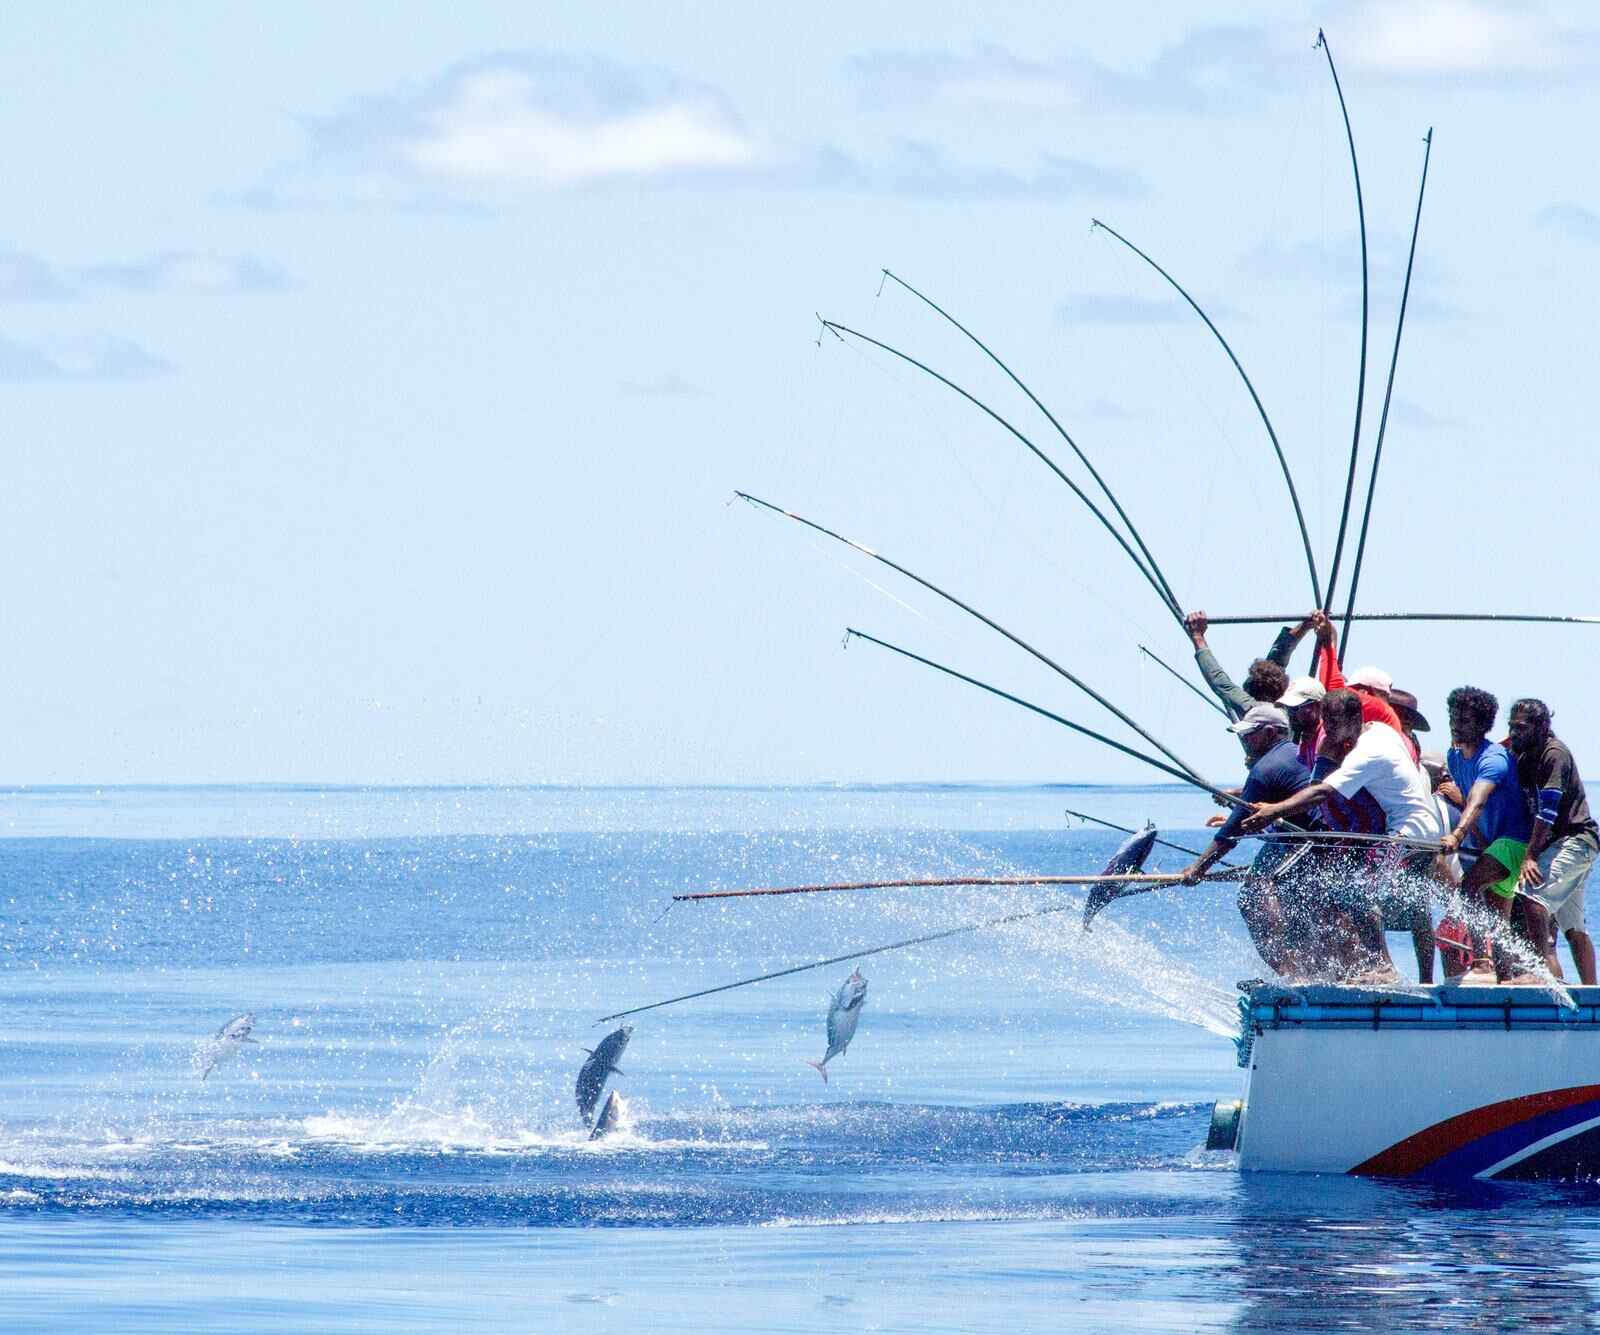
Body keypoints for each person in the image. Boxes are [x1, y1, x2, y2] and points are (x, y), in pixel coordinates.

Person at [1241, 689, 1443, 983]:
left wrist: (1275, 810)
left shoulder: (1367, 752)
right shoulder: (1379, 731)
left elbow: (1323, 790)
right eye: (1328, 723)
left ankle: (1384, 967)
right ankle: (1365, 966)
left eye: (1336, 724)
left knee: (1359, 889)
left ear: (1356, 718)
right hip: (1418, 828)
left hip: (1407, 830)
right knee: (1395, 901)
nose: (1331, 731)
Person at [1179, 702, 1322, 977]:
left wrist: (1198, 868)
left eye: (1249, 734)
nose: (1244, 741)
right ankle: (1311, 970)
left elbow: (1231, 832)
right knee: (1291, 900)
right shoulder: (1294, 754)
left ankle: (1292, 974)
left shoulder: (1264, 769)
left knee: (1252, 895)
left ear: (1270, 733)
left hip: (1307, 843)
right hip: (1309, 842)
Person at [1437, 686, 1538, 982]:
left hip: (1514, 843)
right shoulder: (1454, 757)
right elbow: (1471, 801)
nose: (1456, 725)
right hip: (1493, 846)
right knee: (1498, 921)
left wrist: (1456, 836)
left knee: (1468, 889)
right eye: (1453, 718)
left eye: (1465, 721)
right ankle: (1505, 982)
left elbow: (1478, 800)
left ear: (1482, 725)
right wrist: (1480, 845)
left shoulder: (1493, 758)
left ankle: (1482, 962)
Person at [1507, 698, 1598, 985]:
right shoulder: (1524, 755)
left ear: (1542, 726)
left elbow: (1548, 810)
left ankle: (1543, 975)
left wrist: (1530, 856)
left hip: (1576, 840)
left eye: (1521, 728)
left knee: (1531, 897)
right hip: (1563, 846)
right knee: (1573, 929)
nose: (1514, 733)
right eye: (1511, 727)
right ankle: (1591, 995)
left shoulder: (1554, 753)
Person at [1184, 611, 1310, 722]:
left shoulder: (1255, 710)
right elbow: (1279, 655)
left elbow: (1219, 681)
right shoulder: (1293, 713)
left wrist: (1197, 637)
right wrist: (1306, 626)